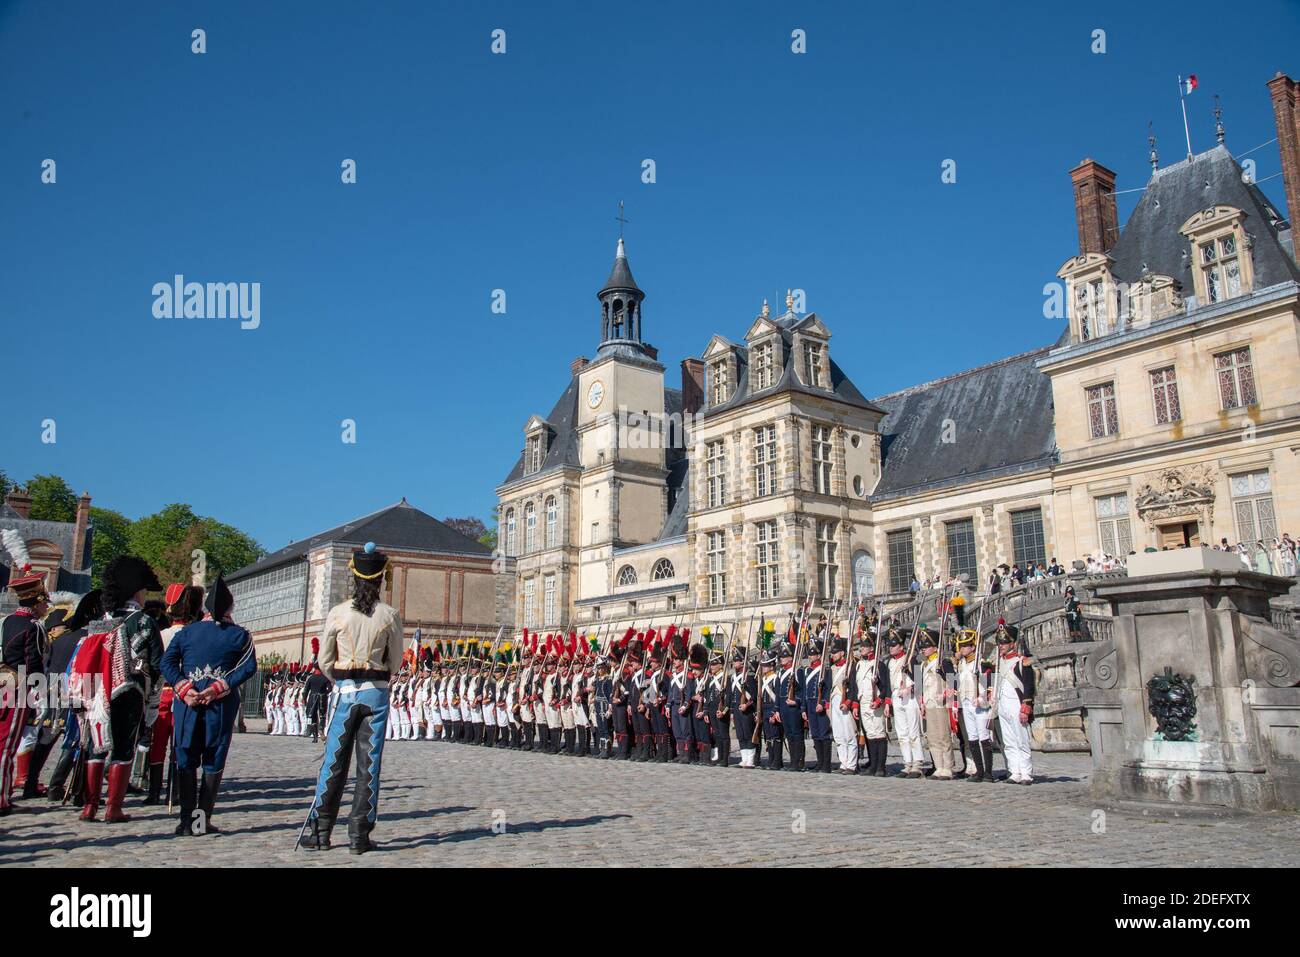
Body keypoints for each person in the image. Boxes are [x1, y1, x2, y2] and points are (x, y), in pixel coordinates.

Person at [301, 543, 405, 854]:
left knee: (334, 761)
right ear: (380, 579)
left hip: (345, 692)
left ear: (355, 577)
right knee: (368, 764)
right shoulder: (390, 614)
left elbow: (324, 660)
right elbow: (396, 661)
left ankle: (321, 831)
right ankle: (359, 834)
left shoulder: (338, 613)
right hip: (376, 693)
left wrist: (341, 680)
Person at [69, 555, 164, 822]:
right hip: (129, 690)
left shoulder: (100, 622)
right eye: (143, 590)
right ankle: (114, 807)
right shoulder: (144, 621)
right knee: (123, 747)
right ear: (135, 591)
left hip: (96, 692)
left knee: (95, 746)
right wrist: (153, 699)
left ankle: (90, 806)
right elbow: (157, 664)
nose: (145, 595)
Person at [160, 575, 257, 835]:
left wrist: (185, 688)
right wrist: (218, 688)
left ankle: (186, 821)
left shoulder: (186, 632)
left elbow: (166, 663)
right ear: (229, 607)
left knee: (186, 756)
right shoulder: (240, 635)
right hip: (220, 704)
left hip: (188, 703)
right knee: (213, 759)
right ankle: (201, 821)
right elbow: (248, 667)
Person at [1, 559, 50, 815]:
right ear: (36, 601)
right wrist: (40, 696)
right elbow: (34, 665)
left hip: (3, 683)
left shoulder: (7, 621)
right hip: (19, 688)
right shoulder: (34, 627)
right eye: (44, 602)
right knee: (7, 745)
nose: (46, 607)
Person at [994, 623, 1035, 785]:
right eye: (1000, 642)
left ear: (1013, 643)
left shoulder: (1021, 662)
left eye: (1005, 642)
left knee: (1021, 740)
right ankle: (1014, 771)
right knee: (1009, 741)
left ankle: (1026, 773)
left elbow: (1029, 686)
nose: (1001, 645)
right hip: (1002, 704)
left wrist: (1026, 706)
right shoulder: (998, 662)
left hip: (1016, 704)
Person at [955, 629, 995, 783]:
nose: (962, 648)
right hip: (966, 703)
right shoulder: (961, 663)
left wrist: (982, 697)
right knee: (972, 737)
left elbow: (989, 684)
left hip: (979, 703)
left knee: (984, 737)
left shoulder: (981, 662)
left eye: (966, 645)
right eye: (961, 645)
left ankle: (988, 772)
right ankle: (979, 771)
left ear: (973, 646)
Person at [885, 626, 923, 778]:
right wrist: (888, 702)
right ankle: (907, 762)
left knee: (913, 731)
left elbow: (919, 680)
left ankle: (917, 763)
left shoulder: (910, 659)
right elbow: (888, 684)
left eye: (894, 645)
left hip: (909, 697)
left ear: (901, 646)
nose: (891, 648)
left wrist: (910, 688)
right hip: (896, 696)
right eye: (890, 645)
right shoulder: (890, 662)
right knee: (902, 732)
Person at [918, 629, 955, 780]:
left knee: (944, 736)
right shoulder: (923, 665)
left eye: (926, 646)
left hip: (941, 704)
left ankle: (948, 767)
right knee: (932, 737)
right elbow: (921, 686)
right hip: (929, 704)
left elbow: (953, 682)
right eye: (922, 647)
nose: (923, 649)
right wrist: (922, 702)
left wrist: (945, 694)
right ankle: (939, 766)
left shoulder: (943, 662)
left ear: (934, 647)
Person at [826, 636, 858, 775]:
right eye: (832, 652)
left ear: (842, 653)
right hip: (834, 703)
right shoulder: (832, 668)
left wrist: (849, 702)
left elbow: (854, 687)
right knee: (838, 735)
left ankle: (851, 764)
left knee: (849, 734)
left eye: (835, 652)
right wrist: (827, 705)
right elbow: (828, 688)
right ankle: (843, 762)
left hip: (845, 704)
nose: (832, 655)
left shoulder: (850, 667)